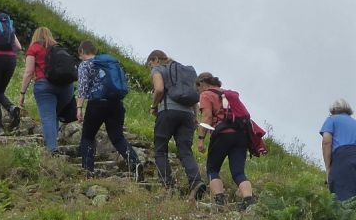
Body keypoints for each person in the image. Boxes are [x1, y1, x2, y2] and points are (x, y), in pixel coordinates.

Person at [75, 41, 141, 177]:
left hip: (97, 104)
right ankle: (135, 163)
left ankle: (88, 171)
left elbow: (82, 88)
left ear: (82, 52)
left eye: (79, 55)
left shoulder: (85, 65)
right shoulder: (109, 63)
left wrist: (79, 108)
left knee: (87, 136)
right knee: (117, 138)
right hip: (116, 104)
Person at [145, 50, 205, 195]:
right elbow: (192, 98)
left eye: (150, 64)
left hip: (167, 112)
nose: (150, 67)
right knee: (185, 150)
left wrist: (154, 106)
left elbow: (159, 89)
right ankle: (196, 182)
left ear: (155, 60)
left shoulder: (158, 69)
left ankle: (167, 185)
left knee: (160, 149)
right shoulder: (183, 71)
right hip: (188, 115)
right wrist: (194, 117)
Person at [197, 73, 256, 209]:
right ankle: (249, 201)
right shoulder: (229, 95)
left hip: (222, 135)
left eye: (198, 88)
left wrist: (201, 139)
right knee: (238, 172)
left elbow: (207, 117)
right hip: (241, 135)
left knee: (212, 169)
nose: (198, 92)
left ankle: (219, 201)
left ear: (202, 83)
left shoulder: (206, 94)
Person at [19, 27, 74, 152]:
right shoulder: (59, 48)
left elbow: (28, 72)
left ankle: (52, 150)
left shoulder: (34, 48)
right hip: (66, 88)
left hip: (45, 87)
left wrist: (22, 93)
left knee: (48, 116)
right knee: (54, 114)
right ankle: (54, 140)